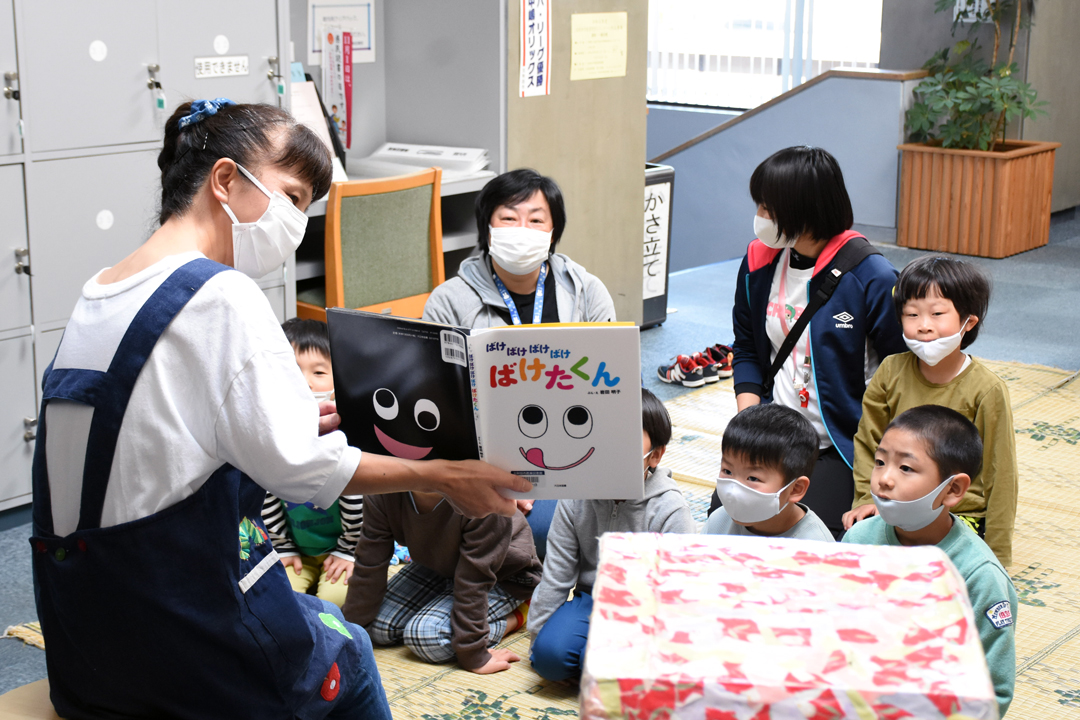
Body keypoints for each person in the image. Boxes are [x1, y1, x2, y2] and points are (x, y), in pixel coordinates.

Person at [29, 99, 530, 719]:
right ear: (224, 180)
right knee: (347, 650)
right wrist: (444, 474)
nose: (297, 222)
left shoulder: (103, 289)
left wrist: (276, 432)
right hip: (176, 641)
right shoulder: (221, 296)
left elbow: (158, 440)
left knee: (318, 611)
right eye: (291, 197)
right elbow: (305, 471)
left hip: (86, 640)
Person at [423, 168, 617, 559]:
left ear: (552, 231)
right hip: (483, 453)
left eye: (536, 219)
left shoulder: (587, 292)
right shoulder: (449, 300)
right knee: (488, 523)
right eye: (509, 219)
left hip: (570, 445)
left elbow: (613, 388)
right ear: (488, 228)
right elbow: (438, 395)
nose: (522, 229)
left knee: (560, 528)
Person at [727, 146, 907, 539]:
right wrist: (748, 423)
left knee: (821, 538)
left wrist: (884, 465)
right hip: (776, 436)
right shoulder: (760, 260)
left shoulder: (869, 274)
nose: (759, 217)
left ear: (802, 211)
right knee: (731, 522)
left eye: (768, 207)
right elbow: (745, 347)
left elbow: (903, 371)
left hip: (843, 444)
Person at [842, 405, 1016, 717]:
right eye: (880, 462)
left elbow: (995, 689)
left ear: (953, 489)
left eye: (906, 468)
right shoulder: (858, 541)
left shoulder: (978, 576)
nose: (884, 479)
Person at [843, 256, 1017, 566]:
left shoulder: (986, 390)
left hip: (958, 515)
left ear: (968, 322)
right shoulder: (889, 372)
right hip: (895, 504)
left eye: (937, 313)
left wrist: (999, 554)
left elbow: (1000, 473)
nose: (924, 326)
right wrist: (867, 499)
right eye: (912, 314)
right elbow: (869, 443)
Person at [528, 388, 695, 682]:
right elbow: (556, 575)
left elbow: (679, 595)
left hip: (644, 610)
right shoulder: (577, 497)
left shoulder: (670, 509)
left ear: (654, 455)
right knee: (549, 658)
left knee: (597, 666)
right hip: (589, 600)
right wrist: (538, 637)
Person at [341, 485, 543, 675]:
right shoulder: (383, 490)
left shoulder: (480, 499)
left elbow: (474, 581)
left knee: (427, 637)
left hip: (504, 575)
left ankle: (518, 614)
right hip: (440, 565)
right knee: (379, 627)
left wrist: (474, 653)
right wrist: (345, 636)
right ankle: (443, 605)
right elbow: (369, 563)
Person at [262, 318, 363, 608]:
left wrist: (349, 551)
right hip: (294, 552)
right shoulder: (270, 434)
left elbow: (358, 499)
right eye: (292, 370)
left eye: (318, 372)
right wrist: (281, 548)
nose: (305, 381)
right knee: (282, 602)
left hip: (344, 550)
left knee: (336, 604)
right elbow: (266, 495)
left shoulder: (345, 436)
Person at [701, 404, 833, 541]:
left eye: (752, 478)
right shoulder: (719, 521)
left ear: (795, 489)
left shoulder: (816, 546)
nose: (734, 490)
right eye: (727, 471)